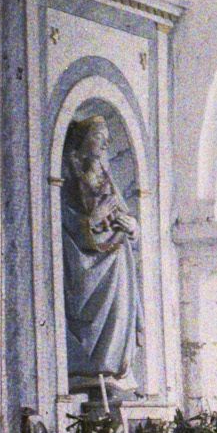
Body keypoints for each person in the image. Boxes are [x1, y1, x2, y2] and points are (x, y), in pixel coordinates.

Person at [61, 114, 141, 386]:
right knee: (91, 320)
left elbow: (126, 215)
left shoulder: (108, 178)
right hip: (88, 264)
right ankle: (93, 368)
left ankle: (113, 367)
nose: (106, 142)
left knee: (120, 312)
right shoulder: (71, 179)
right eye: (99, 135)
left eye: (107, 136)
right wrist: (93, 220)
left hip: (118, 259)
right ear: (83, 141)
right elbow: (66, 220)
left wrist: (132, 226)